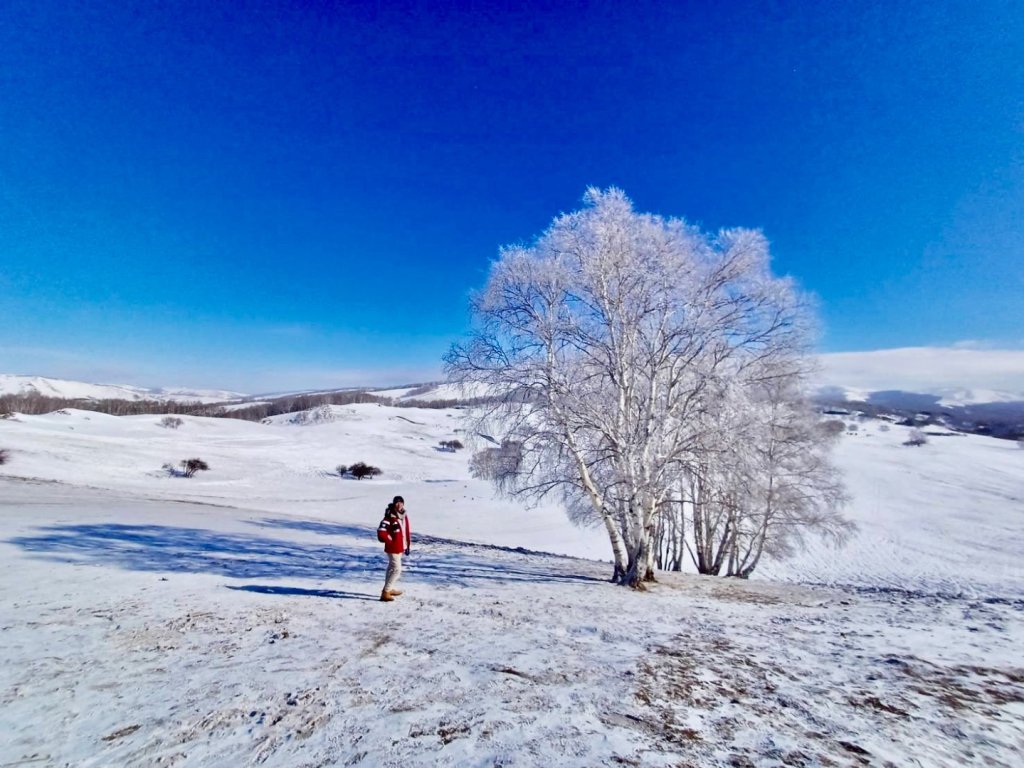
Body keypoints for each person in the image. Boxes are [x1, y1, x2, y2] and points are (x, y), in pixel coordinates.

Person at [377, 495, 411, 601]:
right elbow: (381, 531)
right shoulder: (389, 516)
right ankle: (385, 592)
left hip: (401, 546)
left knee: (391, 568)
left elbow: (405, 531)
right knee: (397, 570)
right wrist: (390, 540)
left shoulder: (403, 515)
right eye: (397, 502)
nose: (399, 504)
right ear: (394, 504)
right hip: (393, 548)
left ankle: (389, 588)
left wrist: (407, 545)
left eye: (401, 502)